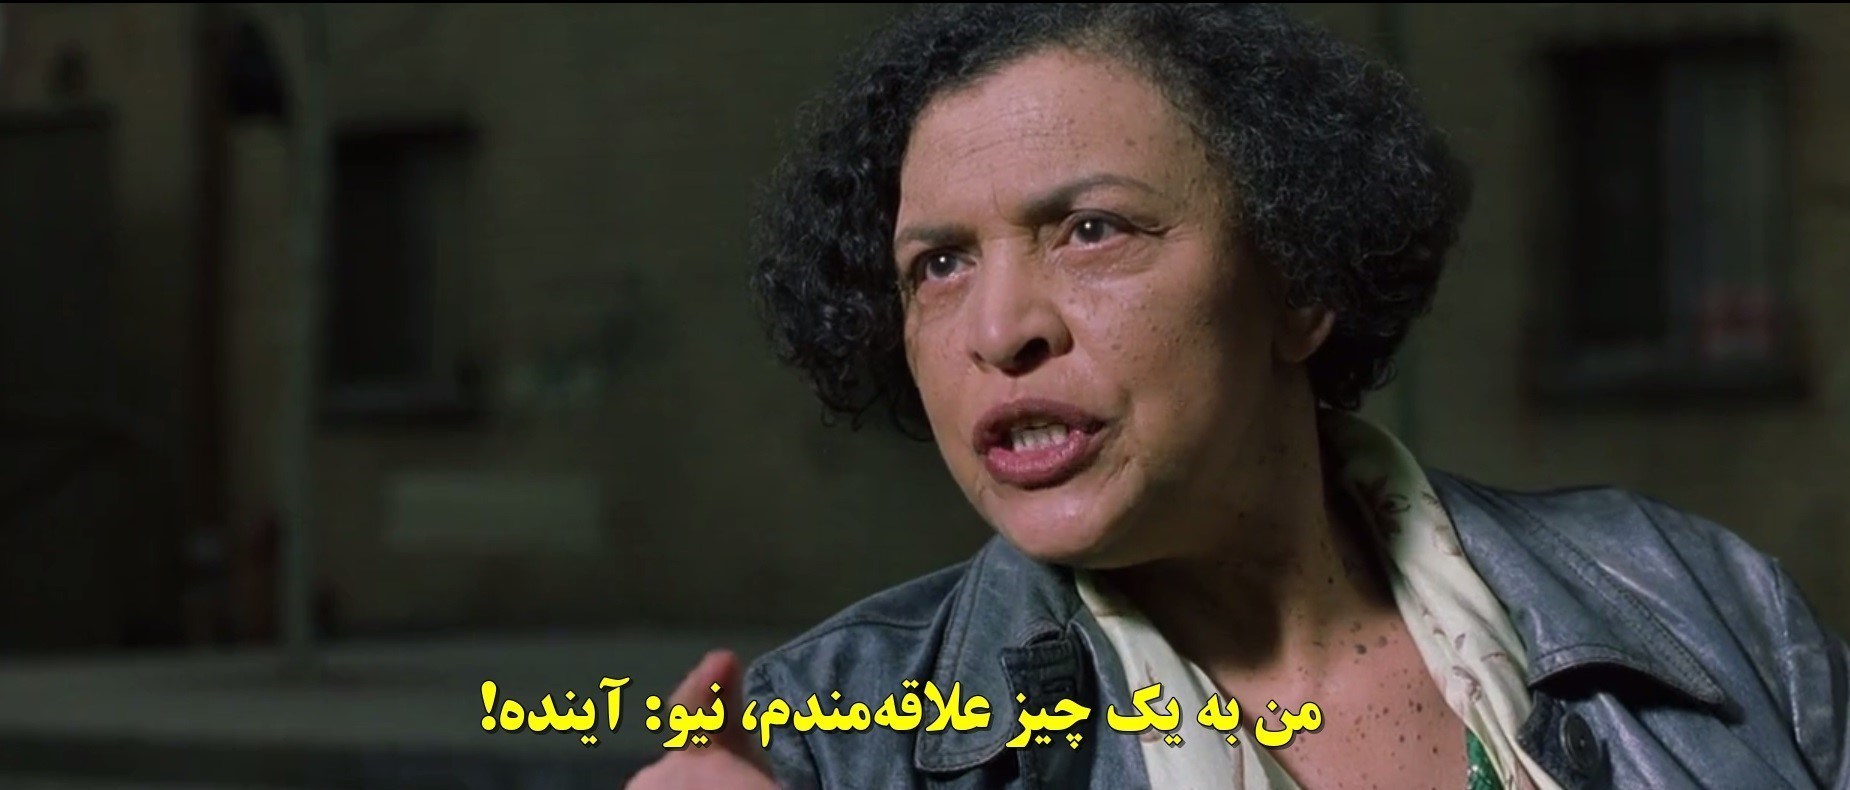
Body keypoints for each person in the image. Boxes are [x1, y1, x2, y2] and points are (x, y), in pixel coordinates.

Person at [627, 4, 1850, 789]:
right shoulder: (824, 743)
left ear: (1299, 282)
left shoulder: (1699, 599)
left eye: (1091, 230)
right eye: (937, 264)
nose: (998, 330)